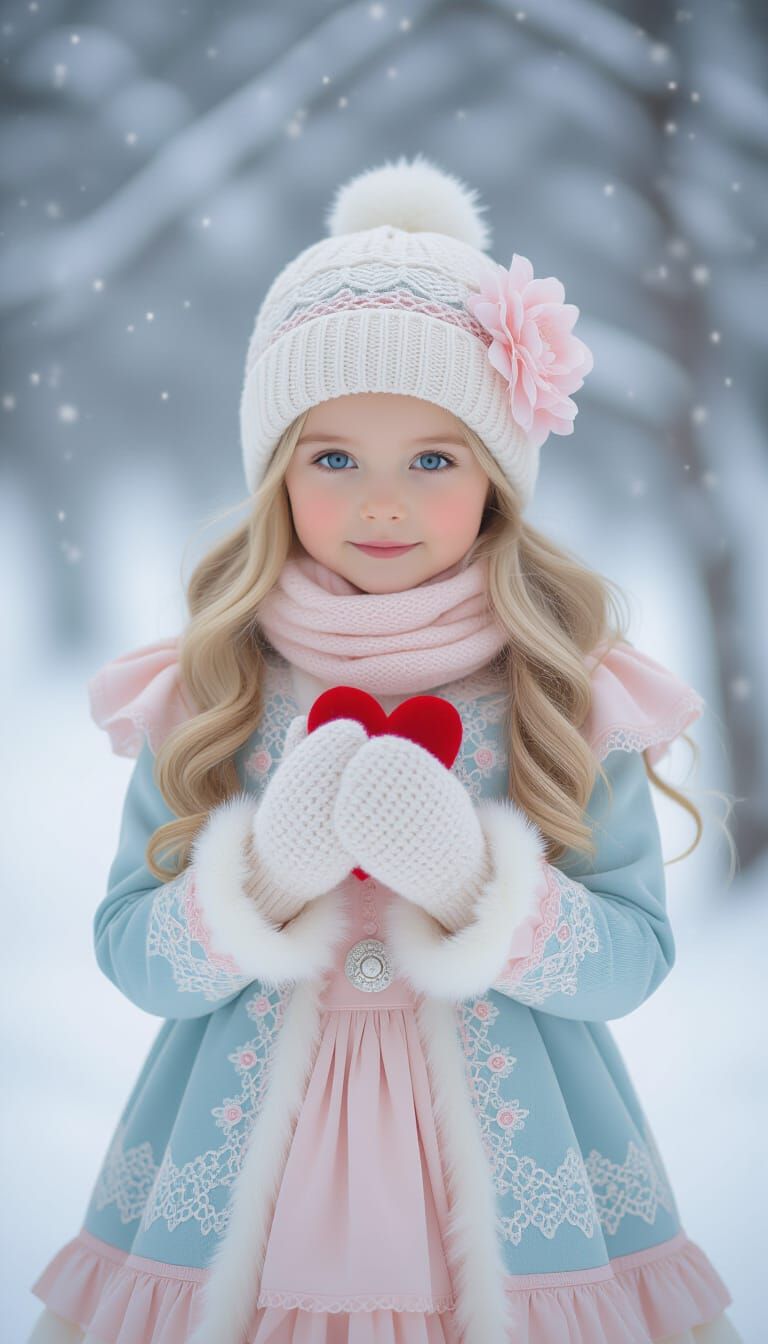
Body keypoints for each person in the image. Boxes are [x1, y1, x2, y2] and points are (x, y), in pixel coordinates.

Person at [27, 155, 743, 1344]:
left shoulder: (563, 694)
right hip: (241, 1186)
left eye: (432, 458)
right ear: (278, 473)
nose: (382, 504)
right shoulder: (216, 687)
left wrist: (474, 884)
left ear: (499, 478)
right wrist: (263, 876)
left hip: (518, 1198)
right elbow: (135, 958)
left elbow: (627, 962)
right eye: (334, 457)